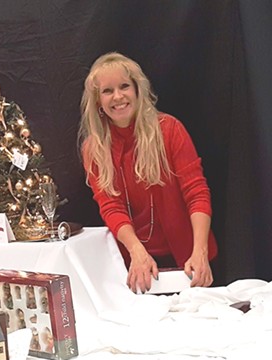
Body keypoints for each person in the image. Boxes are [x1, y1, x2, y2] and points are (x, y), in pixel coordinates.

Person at [78, 52, 218, 294]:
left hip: (190, 259)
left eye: (124, 86)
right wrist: (136, 251)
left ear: (137, 90)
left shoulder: (170, 130)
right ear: (98, 101)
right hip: (135, 264)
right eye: (107, 91)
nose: (118, 96)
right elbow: (111, 207)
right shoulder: (93, 149)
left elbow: (197, 193)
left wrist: (200, 251)